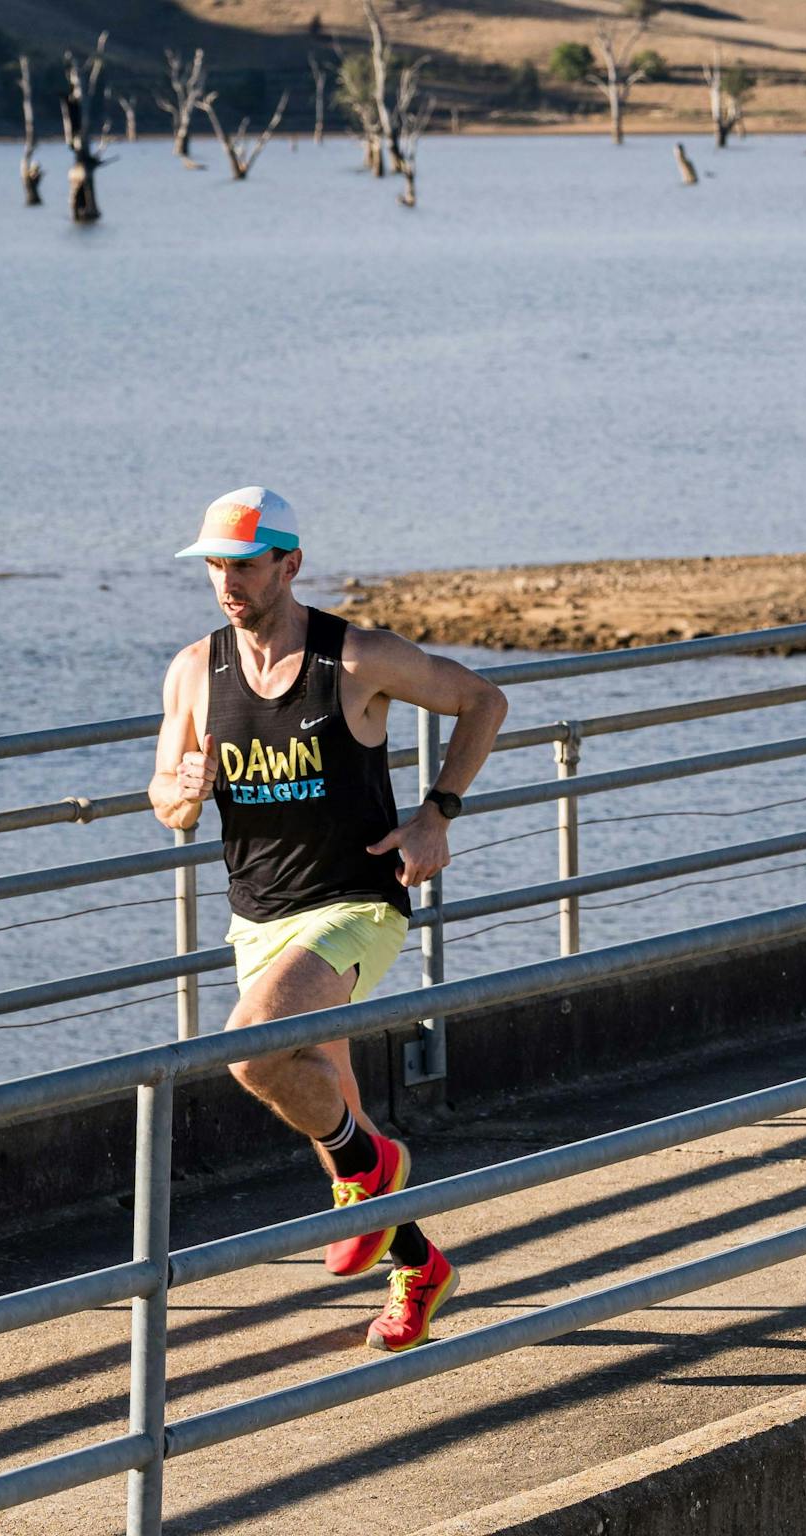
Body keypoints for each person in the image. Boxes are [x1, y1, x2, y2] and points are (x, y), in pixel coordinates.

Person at [149, 486, 507, 1351]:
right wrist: (180, 794)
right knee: (322, 1098)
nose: (227, 583)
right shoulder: (196, 672)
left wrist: (436, 815)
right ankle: (417, 1266)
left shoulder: (355, 659)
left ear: (290, 563)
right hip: (260, 918)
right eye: (214, 568)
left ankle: (368, 1166)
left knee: (252, 1047)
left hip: (356, 903)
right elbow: (164, 792)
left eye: (243, 565)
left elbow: (483, 701)